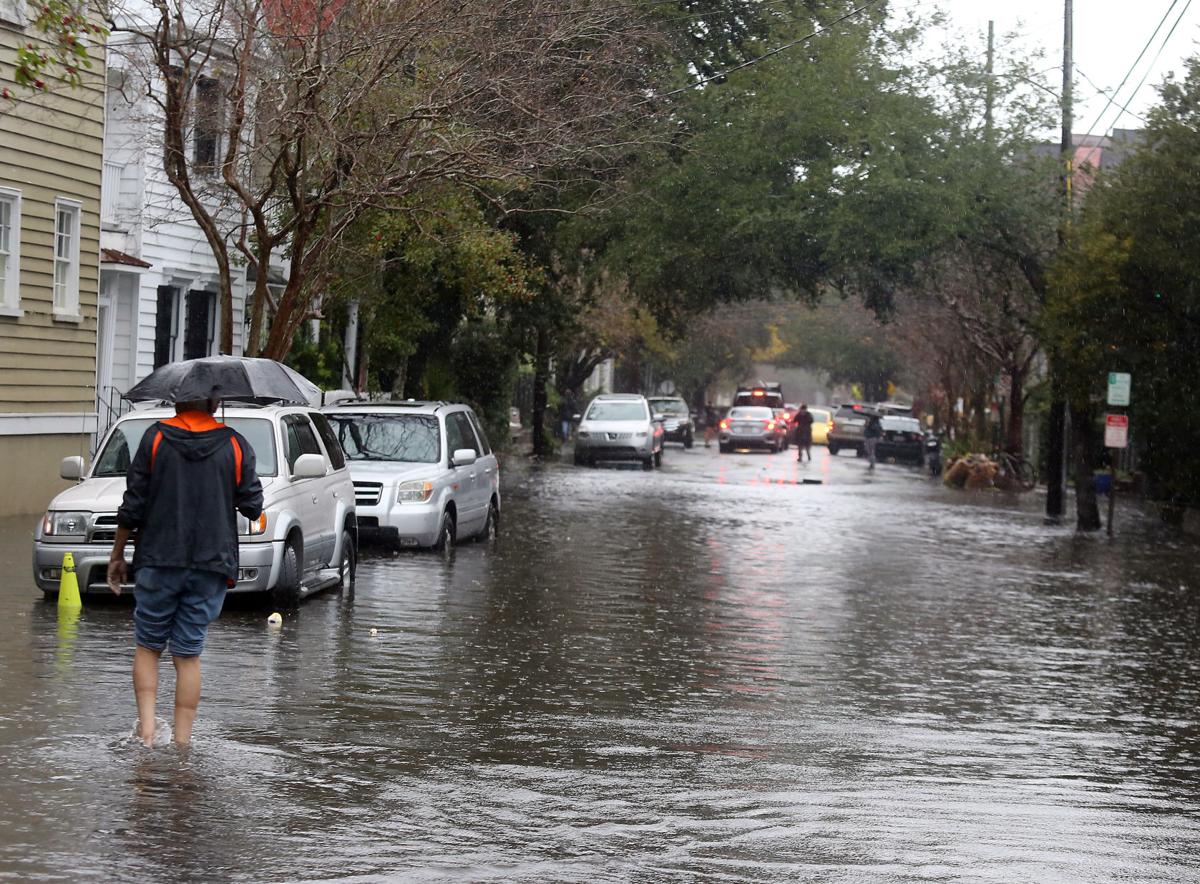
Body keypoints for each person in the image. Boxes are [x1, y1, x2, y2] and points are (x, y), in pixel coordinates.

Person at [107, 398, 263, 747]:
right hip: (211, 564)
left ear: (177, 400)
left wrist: (117, 554)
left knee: (148, 646)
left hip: (158, 559)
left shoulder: (155, 438)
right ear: (215, 402)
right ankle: (182, 745)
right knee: (188, 654)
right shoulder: (236, 444)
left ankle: (146, 735)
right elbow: (252, 506)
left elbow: (133, 504)